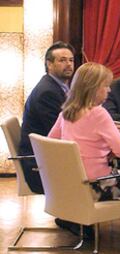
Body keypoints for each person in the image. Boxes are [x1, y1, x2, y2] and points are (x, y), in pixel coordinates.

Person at [48, 62, 120, 254]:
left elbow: (51, 140)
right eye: (105, 86)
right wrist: (112, 138)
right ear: (93, 88)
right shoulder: (99, 113)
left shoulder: (66, 112)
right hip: (95, 186)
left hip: (68, 186)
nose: (109, 90)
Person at [19, 41, 75, 194]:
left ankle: (73, 214)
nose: (69, 64)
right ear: (49, 64)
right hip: (40, 164)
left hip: (49, 156)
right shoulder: (47, 92)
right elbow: (60, 133)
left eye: (71, 60)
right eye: (62, 60)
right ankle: (74, 214)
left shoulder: (59, 87)